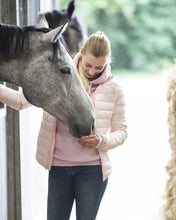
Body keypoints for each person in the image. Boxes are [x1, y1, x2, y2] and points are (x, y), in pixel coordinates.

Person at [0, 31, 127, 220]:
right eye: (88, 65)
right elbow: (20, 101)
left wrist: (101, 140)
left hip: (93, 170)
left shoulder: (114, 89)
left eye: (99, 68)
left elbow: (122, 131)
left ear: (107, 63)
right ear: (81, 52)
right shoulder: (57, 77)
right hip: (59, 168)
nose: (92, 71)